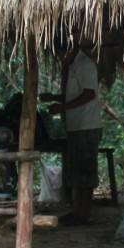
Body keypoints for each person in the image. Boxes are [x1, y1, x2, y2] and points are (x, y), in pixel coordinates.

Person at [40, 46, 102, 225]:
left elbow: (89, 94)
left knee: (86, 170)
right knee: (77, 169)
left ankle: (85, 213)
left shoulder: (85, 64)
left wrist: (62, 108)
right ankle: (77, 211)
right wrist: (55, 97)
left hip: (86, 125)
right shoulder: (73, 65)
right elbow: (74, 95)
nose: (59, 59)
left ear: (68, 48)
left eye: (59, 54)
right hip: (75, 126)